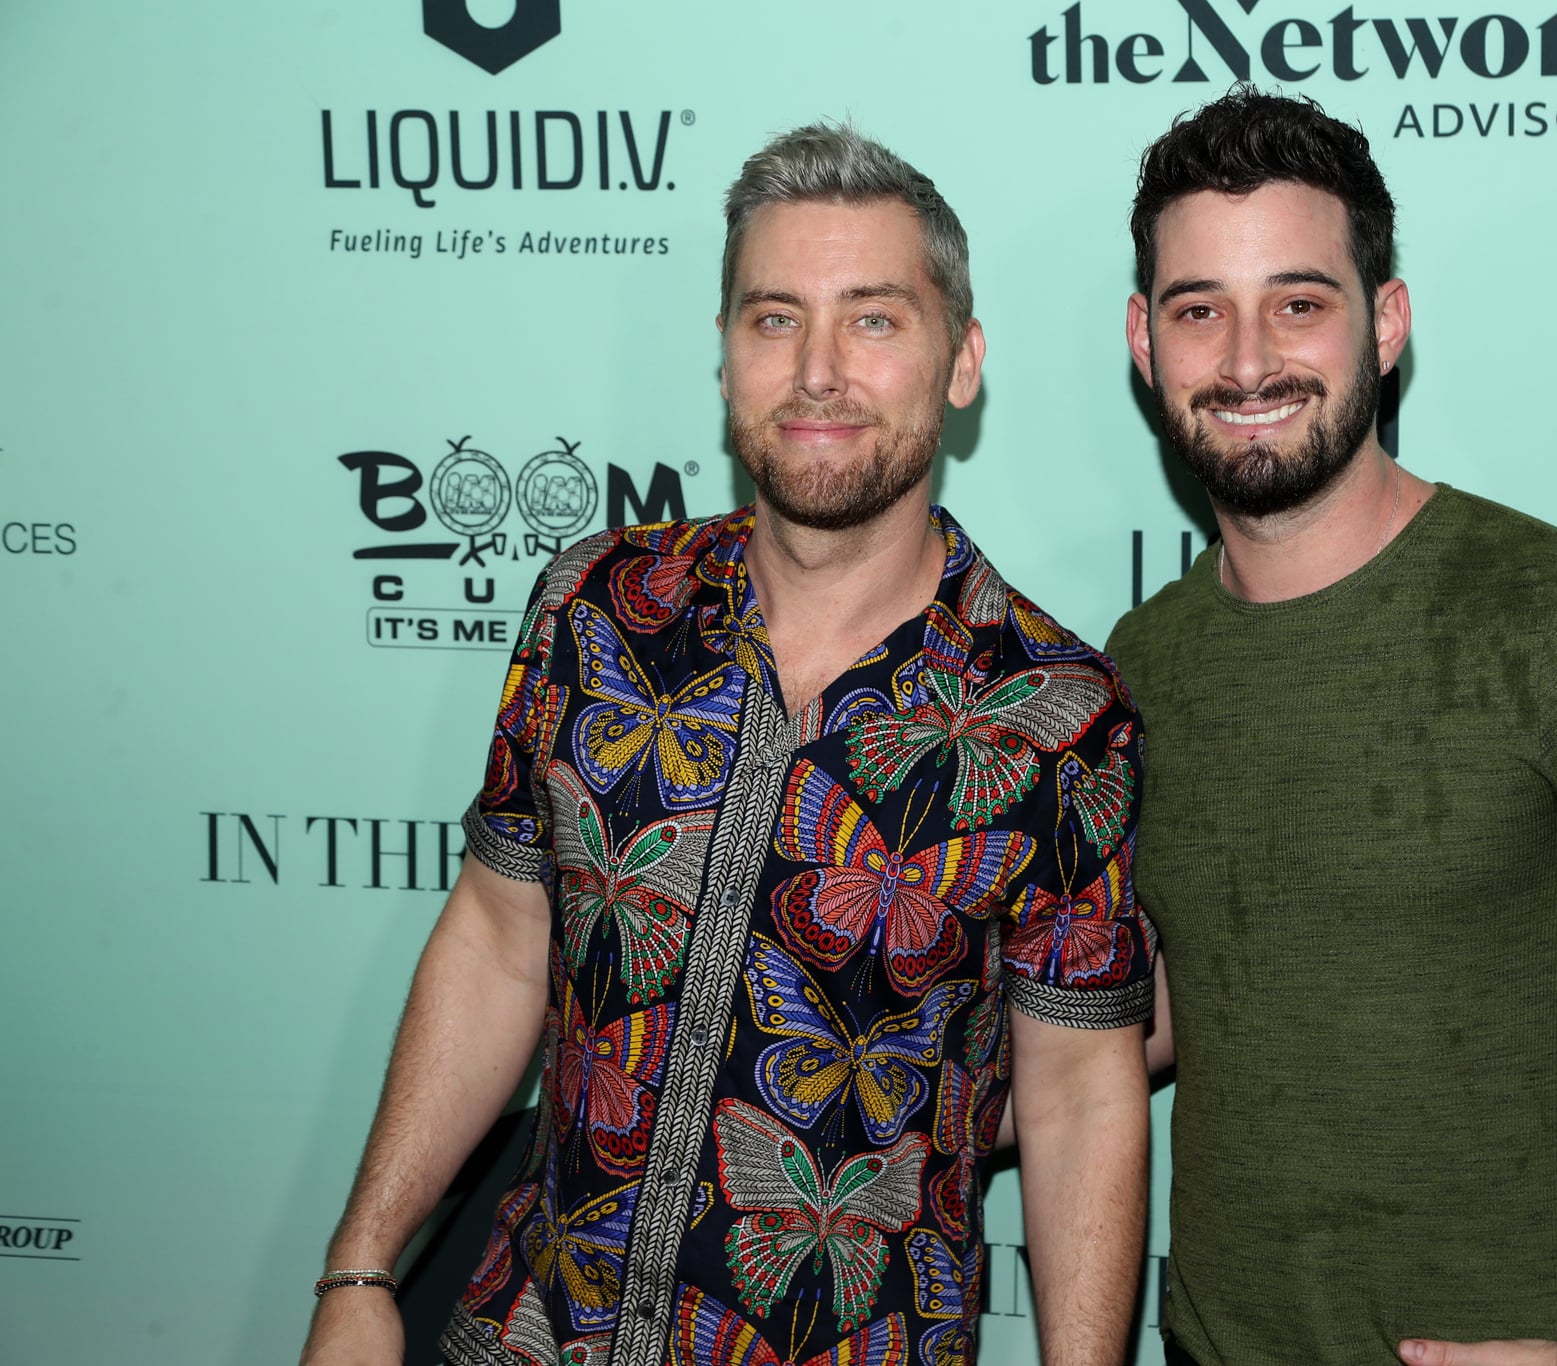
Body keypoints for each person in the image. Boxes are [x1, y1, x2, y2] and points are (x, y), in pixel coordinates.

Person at [301, 124, 1155, 1366]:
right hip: (533, 1337)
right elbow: (495, 941)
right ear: (721, 358)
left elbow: (1081, 1095)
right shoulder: (593, 609)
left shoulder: (1059, 716)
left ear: (959, 362)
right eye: (772, 319)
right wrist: (364, 1268)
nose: (816, 370)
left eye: (872, 319)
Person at [1108, 87, 1557, 1366]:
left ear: (1383, 324)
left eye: (1298, 301)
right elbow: (1184, 992)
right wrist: (888, 1074)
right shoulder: (1140, 659)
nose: (1243, 361)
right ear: (1143, 339)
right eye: (1197, 310)